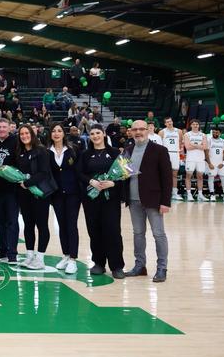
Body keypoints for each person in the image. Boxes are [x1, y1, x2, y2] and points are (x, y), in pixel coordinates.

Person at [124, 120, 172, 283]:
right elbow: (123, 175)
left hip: (154, 200)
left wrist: (165, 202)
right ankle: (140, 266)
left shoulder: (159, 150)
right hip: (133, 199)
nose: (138, 132)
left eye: (141, 129)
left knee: (158, 234)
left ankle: (161, 268)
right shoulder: (128, 150)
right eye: (135, 129)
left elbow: (167, 178)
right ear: (130, 132)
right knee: (138, 234)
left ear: (148, 130)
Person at [78, 124, 125, 278]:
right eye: (92, 133)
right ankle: (98, 263)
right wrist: (90, 181)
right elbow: (79, 173)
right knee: (94, 230)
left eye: (98, 133)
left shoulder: (115, 152)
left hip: (110, 199)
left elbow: (126, 173)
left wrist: (114, 183)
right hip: (91, 199)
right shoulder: (85, 154)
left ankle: (117, 266)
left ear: (104, 134)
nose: (95, 136)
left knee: (112, 231)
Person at [14, 124, 53, 270]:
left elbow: (44, 173)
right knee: (28, 225)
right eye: (21, 134)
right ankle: (29, 255)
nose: (24, 136)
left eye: (26, 133)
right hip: (25, 195)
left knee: (42, 225)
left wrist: (27, 183)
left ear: (32, 134)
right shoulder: (20, 152)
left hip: (40, 194)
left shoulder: (42, 151)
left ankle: (40, 258)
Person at [48, 123, 81, 274]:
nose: (56, 133)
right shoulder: (47, 152)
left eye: (59, 131)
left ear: (64, 133)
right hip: (56, 195)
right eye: (54, 131)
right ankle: (66, 255)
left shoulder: (73, 150)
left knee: (71, 225)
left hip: (73, 194)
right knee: (62, 225)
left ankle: (73, 259)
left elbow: (79, 171)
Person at [0, 118, 19, 265]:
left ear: (9, 128)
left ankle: (12, 253)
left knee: (12, 222)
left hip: (12, 190)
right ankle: (2, 251)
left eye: (4, 127)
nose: (1, 129)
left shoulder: (16, 142)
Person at [183, 120, 209, 201]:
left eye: (197, 124)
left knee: (200, 177)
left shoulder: (203, 135)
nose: (195, 125)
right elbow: (187, 147)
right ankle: (189, 194)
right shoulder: (187, 134)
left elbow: (205, 147)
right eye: (193, 124)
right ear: (191, 125)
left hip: (200, 159)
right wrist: (199, 145)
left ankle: (200, 195)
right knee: (188, 176)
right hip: (190, 159)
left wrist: (193, 144)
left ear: (199, 125)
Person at [159, 117, 183, 201]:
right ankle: (164, 193)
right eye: (167, 122)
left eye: (171, 121)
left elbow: (180, 143)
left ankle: (174, 193)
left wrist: (181, 153)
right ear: (165, 124)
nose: (170, 123)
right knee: (164, 174)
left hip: (175, 153)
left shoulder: (179, 131)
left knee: (175, 174)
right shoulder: (162, 132)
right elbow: (159, 145)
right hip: (166, 153)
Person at [206, 126, 224, 201]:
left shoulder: (223, 141)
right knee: (211, 178)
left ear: (220, 133)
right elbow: (206, 153)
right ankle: (212, 194)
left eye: (216, 132)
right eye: (213, 132)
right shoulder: (209, 140)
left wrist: (223, 163)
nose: (215, 133)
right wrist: (209, 163)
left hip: (220, 163)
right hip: (212, 163)